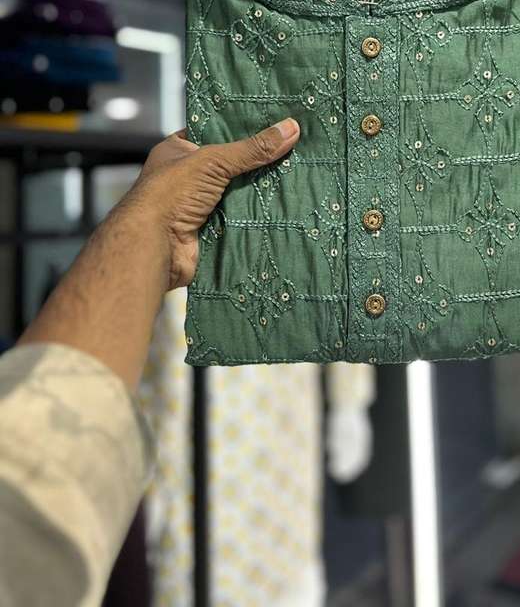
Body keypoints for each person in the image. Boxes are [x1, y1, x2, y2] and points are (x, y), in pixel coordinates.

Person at [0, 117, 301, 607]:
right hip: (194, 427)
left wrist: (154, 218)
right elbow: (36, 473)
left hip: (269, 433)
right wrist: (153, 218)